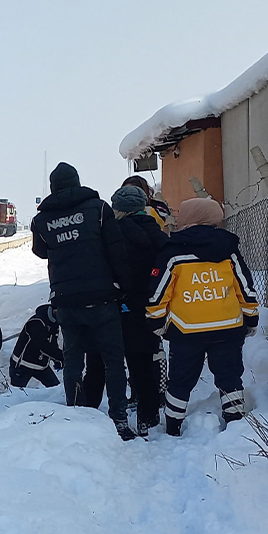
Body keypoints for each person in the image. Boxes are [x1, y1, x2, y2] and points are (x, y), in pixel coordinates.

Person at [31, 162, 136, 441]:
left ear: (53, 188)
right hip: (102, 298)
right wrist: (124, 288)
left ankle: (75, 414)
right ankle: (119, 420)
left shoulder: (41, 220)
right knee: (113, 360)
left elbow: (40, 251)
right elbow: (116, 251)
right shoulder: (99, 209)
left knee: (73, 359)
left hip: (66, 300)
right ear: (77, 182)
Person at [145, 198, 259, 436]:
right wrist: (251, 317)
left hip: (187, 331)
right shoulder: (229, 250)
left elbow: (160, 291)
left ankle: (173, 427)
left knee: (180, 381)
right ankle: (235, 426)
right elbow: (244, 286)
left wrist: (155, 319)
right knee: (229, 377)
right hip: (228, 329)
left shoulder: (173, 253)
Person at [110, 185, 171, 435]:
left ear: (120, 209)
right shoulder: (157, 232)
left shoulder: (117, 233)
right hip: (155, 302)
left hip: (127, 302)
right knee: (148, 355)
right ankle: (150, 412)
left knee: (131, 359)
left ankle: (137, 410)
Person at [10, 305, 63, 388]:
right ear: (54, 310)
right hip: (23, 365)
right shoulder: (36, 322)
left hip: (41, 366)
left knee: (55, 390)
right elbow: (43, 346)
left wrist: (56, 360)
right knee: (17, 393)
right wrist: (61, 357)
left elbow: (52, 343)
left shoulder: (54, 323)